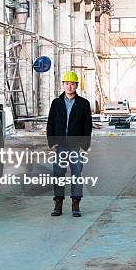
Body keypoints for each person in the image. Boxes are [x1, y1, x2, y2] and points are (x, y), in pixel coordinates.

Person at [46, 71, 93, 217]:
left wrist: (84, 146)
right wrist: (51, 143)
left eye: (72, 83)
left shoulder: (83, 104)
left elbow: (87, 126)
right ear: (63, 85)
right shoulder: (56, 103)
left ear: (76, 85)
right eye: (66, 83)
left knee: (76, 175)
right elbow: (51, 124)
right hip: (60, 145)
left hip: (76, 147)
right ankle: (58, 204)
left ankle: (75, 205)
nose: (69, 86)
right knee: (58, 174)